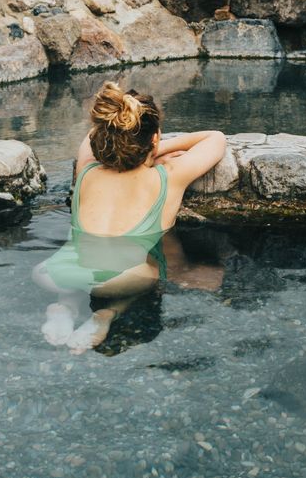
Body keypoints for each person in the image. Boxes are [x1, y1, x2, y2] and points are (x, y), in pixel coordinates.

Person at [32, 81, 227, 353]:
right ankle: (108, 313)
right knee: (157, 271)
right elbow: (215, 138)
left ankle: (65, 305)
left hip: (52, 274)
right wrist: (158, 149)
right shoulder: (168, 177)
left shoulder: (86, 168)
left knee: (82, 259)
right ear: (154, 140)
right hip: (122, 280)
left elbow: (93, 136)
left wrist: (141, 144)